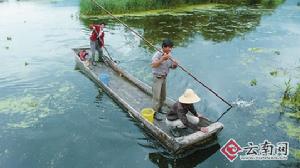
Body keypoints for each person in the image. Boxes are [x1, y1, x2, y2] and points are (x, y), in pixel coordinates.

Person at [151, 39, 178, 118]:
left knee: (163, 96)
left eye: (171, 47)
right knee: (156, 97)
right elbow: (153, 65)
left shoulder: (169, 55)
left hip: (164, 78)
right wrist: (162, 59)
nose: (170, 49)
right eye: (168, 47)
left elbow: (171, 67)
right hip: (157, 78)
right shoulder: (157, 55)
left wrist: (175, 65)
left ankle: (159, 108)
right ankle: (154, 113)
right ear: (163, 47)